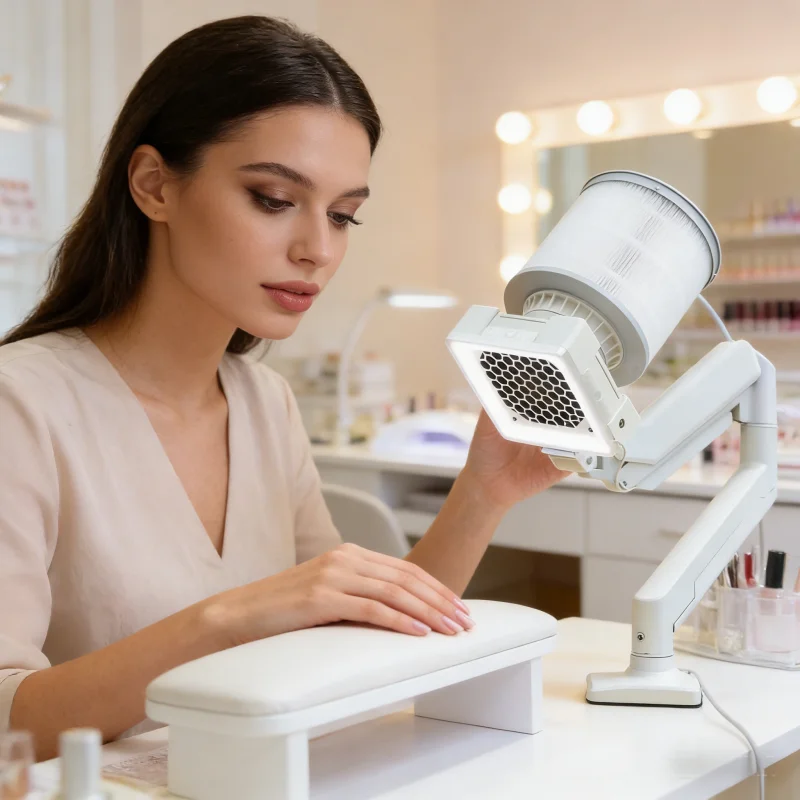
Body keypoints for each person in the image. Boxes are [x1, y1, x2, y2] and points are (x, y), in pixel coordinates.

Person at [0, 16, 564, 760]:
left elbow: (350, 639)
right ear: (153, 185)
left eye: (343, 215)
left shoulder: (265, 405)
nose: (318, 249)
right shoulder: (22, 404)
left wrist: (483, 492)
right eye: (272, 199)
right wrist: (229, 619)